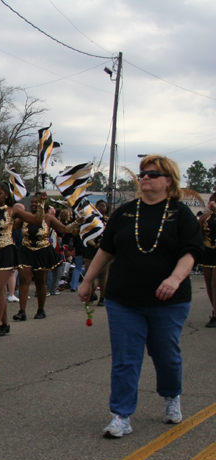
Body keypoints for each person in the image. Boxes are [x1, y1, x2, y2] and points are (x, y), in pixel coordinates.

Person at [80, 155, 203, 439]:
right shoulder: (124, 213)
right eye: (142, 174)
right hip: (124, 299)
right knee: (125, 357)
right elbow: (106, 250)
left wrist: (174, 278)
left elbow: (192, 252)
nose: (145, 178)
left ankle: (171, 395)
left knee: (166, 355)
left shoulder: (180, 214)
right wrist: (87, 281)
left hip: (168, 300)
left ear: (168, 181)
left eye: (152, 174)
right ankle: (121, 415)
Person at [0, 183, 45, 340]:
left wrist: (41, 205)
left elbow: (36, 221)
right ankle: (5, 324)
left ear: (6, 195)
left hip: (6, 252)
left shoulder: (13, 210)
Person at [12, 194, 79, 321]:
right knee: (24, 279)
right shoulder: (24, 218)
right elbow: (10, 229)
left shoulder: (48, 218)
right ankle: (22, 311)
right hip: (26, 251)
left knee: (40, 282)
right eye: (32, 202)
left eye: (36, 202)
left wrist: (77, 223)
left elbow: (64, 230)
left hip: (43, 252)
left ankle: (41, 309)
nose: (33, 204)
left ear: (42, 204)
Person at [83, 199, 110, 306]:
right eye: (98, 205)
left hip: (103, 249)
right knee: (89, 272)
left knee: (102, 275)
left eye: (103, 205)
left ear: (107, 208)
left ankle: (103, 296)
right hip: (90, 248)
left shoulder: (109, 221)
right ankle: (92, 294)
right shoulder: (90, 220)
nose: (100, 207)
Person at [198, 192, 216, 327]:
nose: (211, 203)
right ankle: (214, 310)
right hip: (208, 254)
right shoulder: (204, 218)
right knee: (209, 284)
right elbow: (198, 236)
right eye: (211, 200)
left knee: (215, 284)